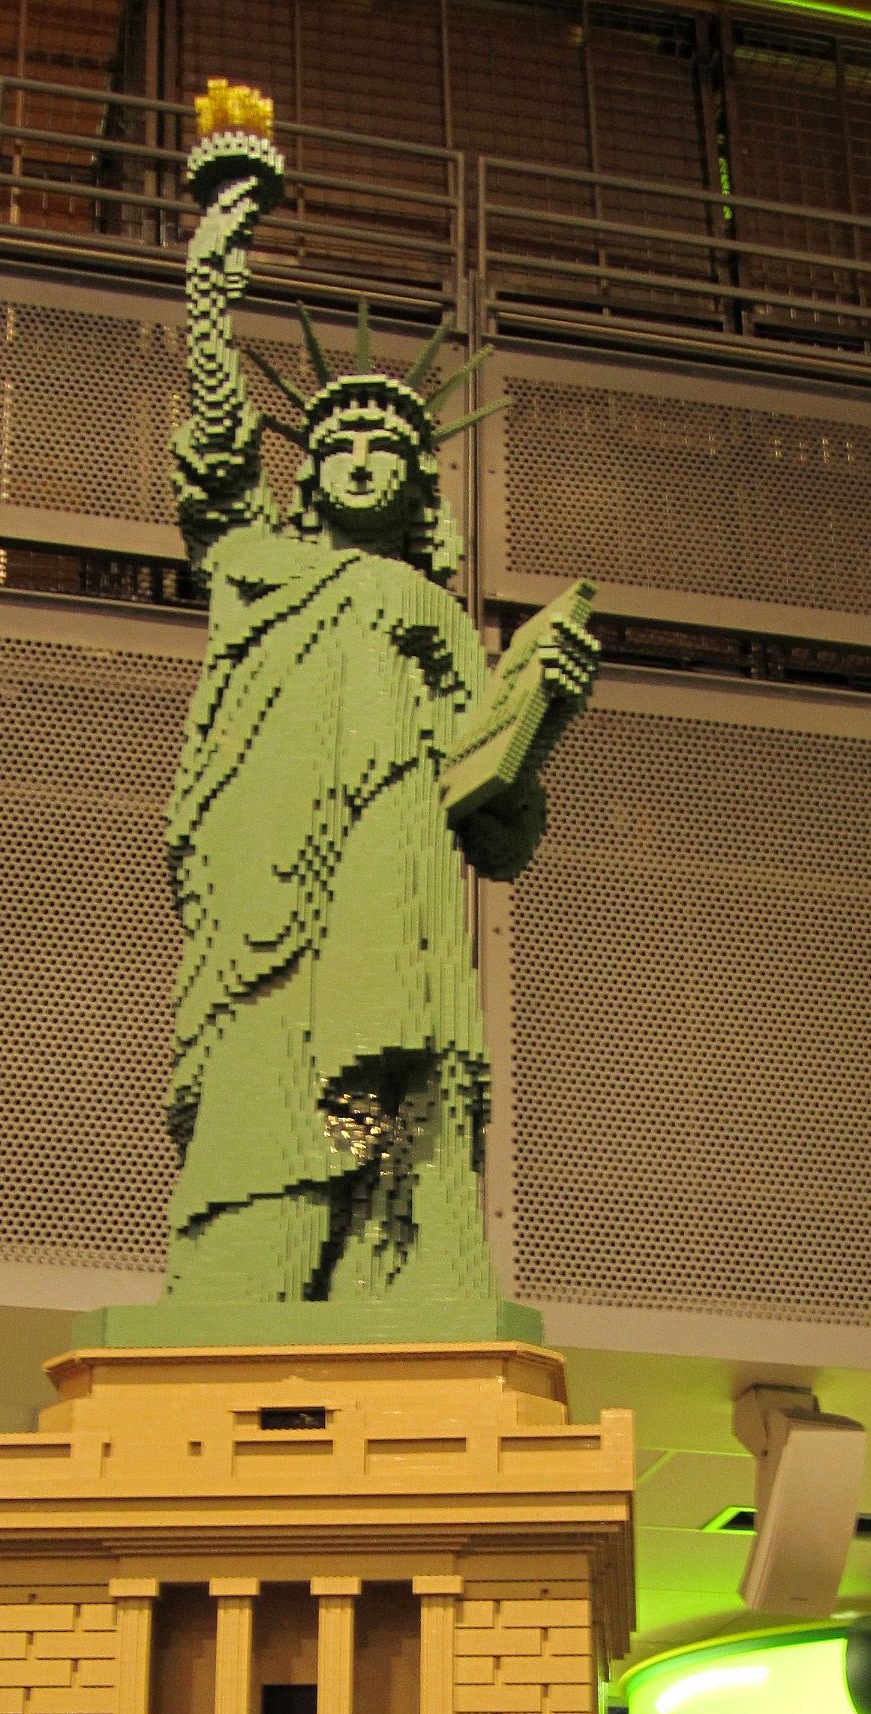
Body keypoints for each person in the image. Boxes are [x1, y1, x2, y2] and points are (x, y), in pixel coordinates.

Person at [163, 123, 597, 1311]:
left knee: (390, 1075)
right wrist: (211, 279)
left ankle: (392, 1270)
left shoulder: (429, 611)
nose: (360, 458)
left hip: (390, 870)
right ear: (308, 472)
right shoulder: (257, 564)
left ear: (416, 484)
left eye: (387, 446)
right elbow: (215, 458)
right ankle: (249, 1273)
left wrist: (543, 709)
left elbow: (492, 824)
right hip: (262, 872)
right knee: (262, 1058)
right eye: (340, 442)